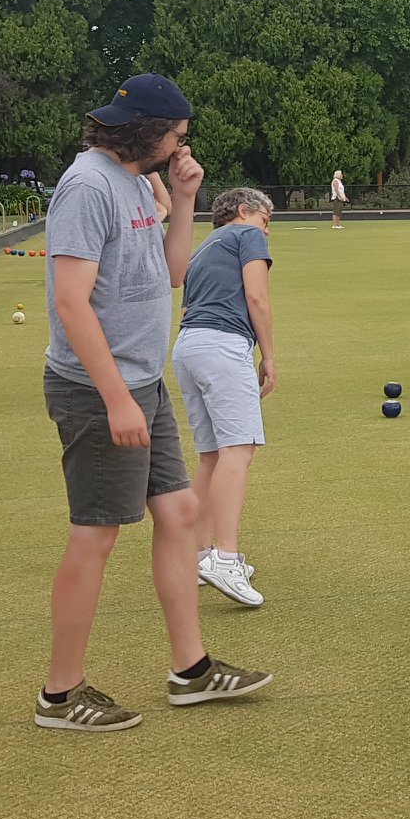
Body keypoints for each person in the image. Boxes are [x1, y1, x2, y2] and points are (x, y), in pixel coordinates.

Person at [37, 73, 269, 733]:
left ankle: (191, 671)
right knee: (96, 535)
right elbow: (69, 301)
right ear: (146, 133)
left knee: (180, 509)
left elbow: (170, 272)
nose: (180, 145)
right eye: (176, 136)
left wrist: (187, 198)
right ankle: (59, 694)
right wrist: (115, 399)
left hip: (141, 381)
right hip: (96, 389)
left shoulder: (139, 183)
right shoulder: (86, 186)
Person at [173, 187, 276, 609]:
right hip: (222, 345)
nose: (267, 234)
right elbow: (256, 296)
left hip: (187, 347)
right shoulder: (245, 235)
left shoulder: (203, 247)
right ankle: (226, 558)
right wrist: (268, 356)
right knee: (239, 450)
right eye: (266, 222)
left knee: (212, 455)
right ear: (243, 211)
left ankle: (194, 556)